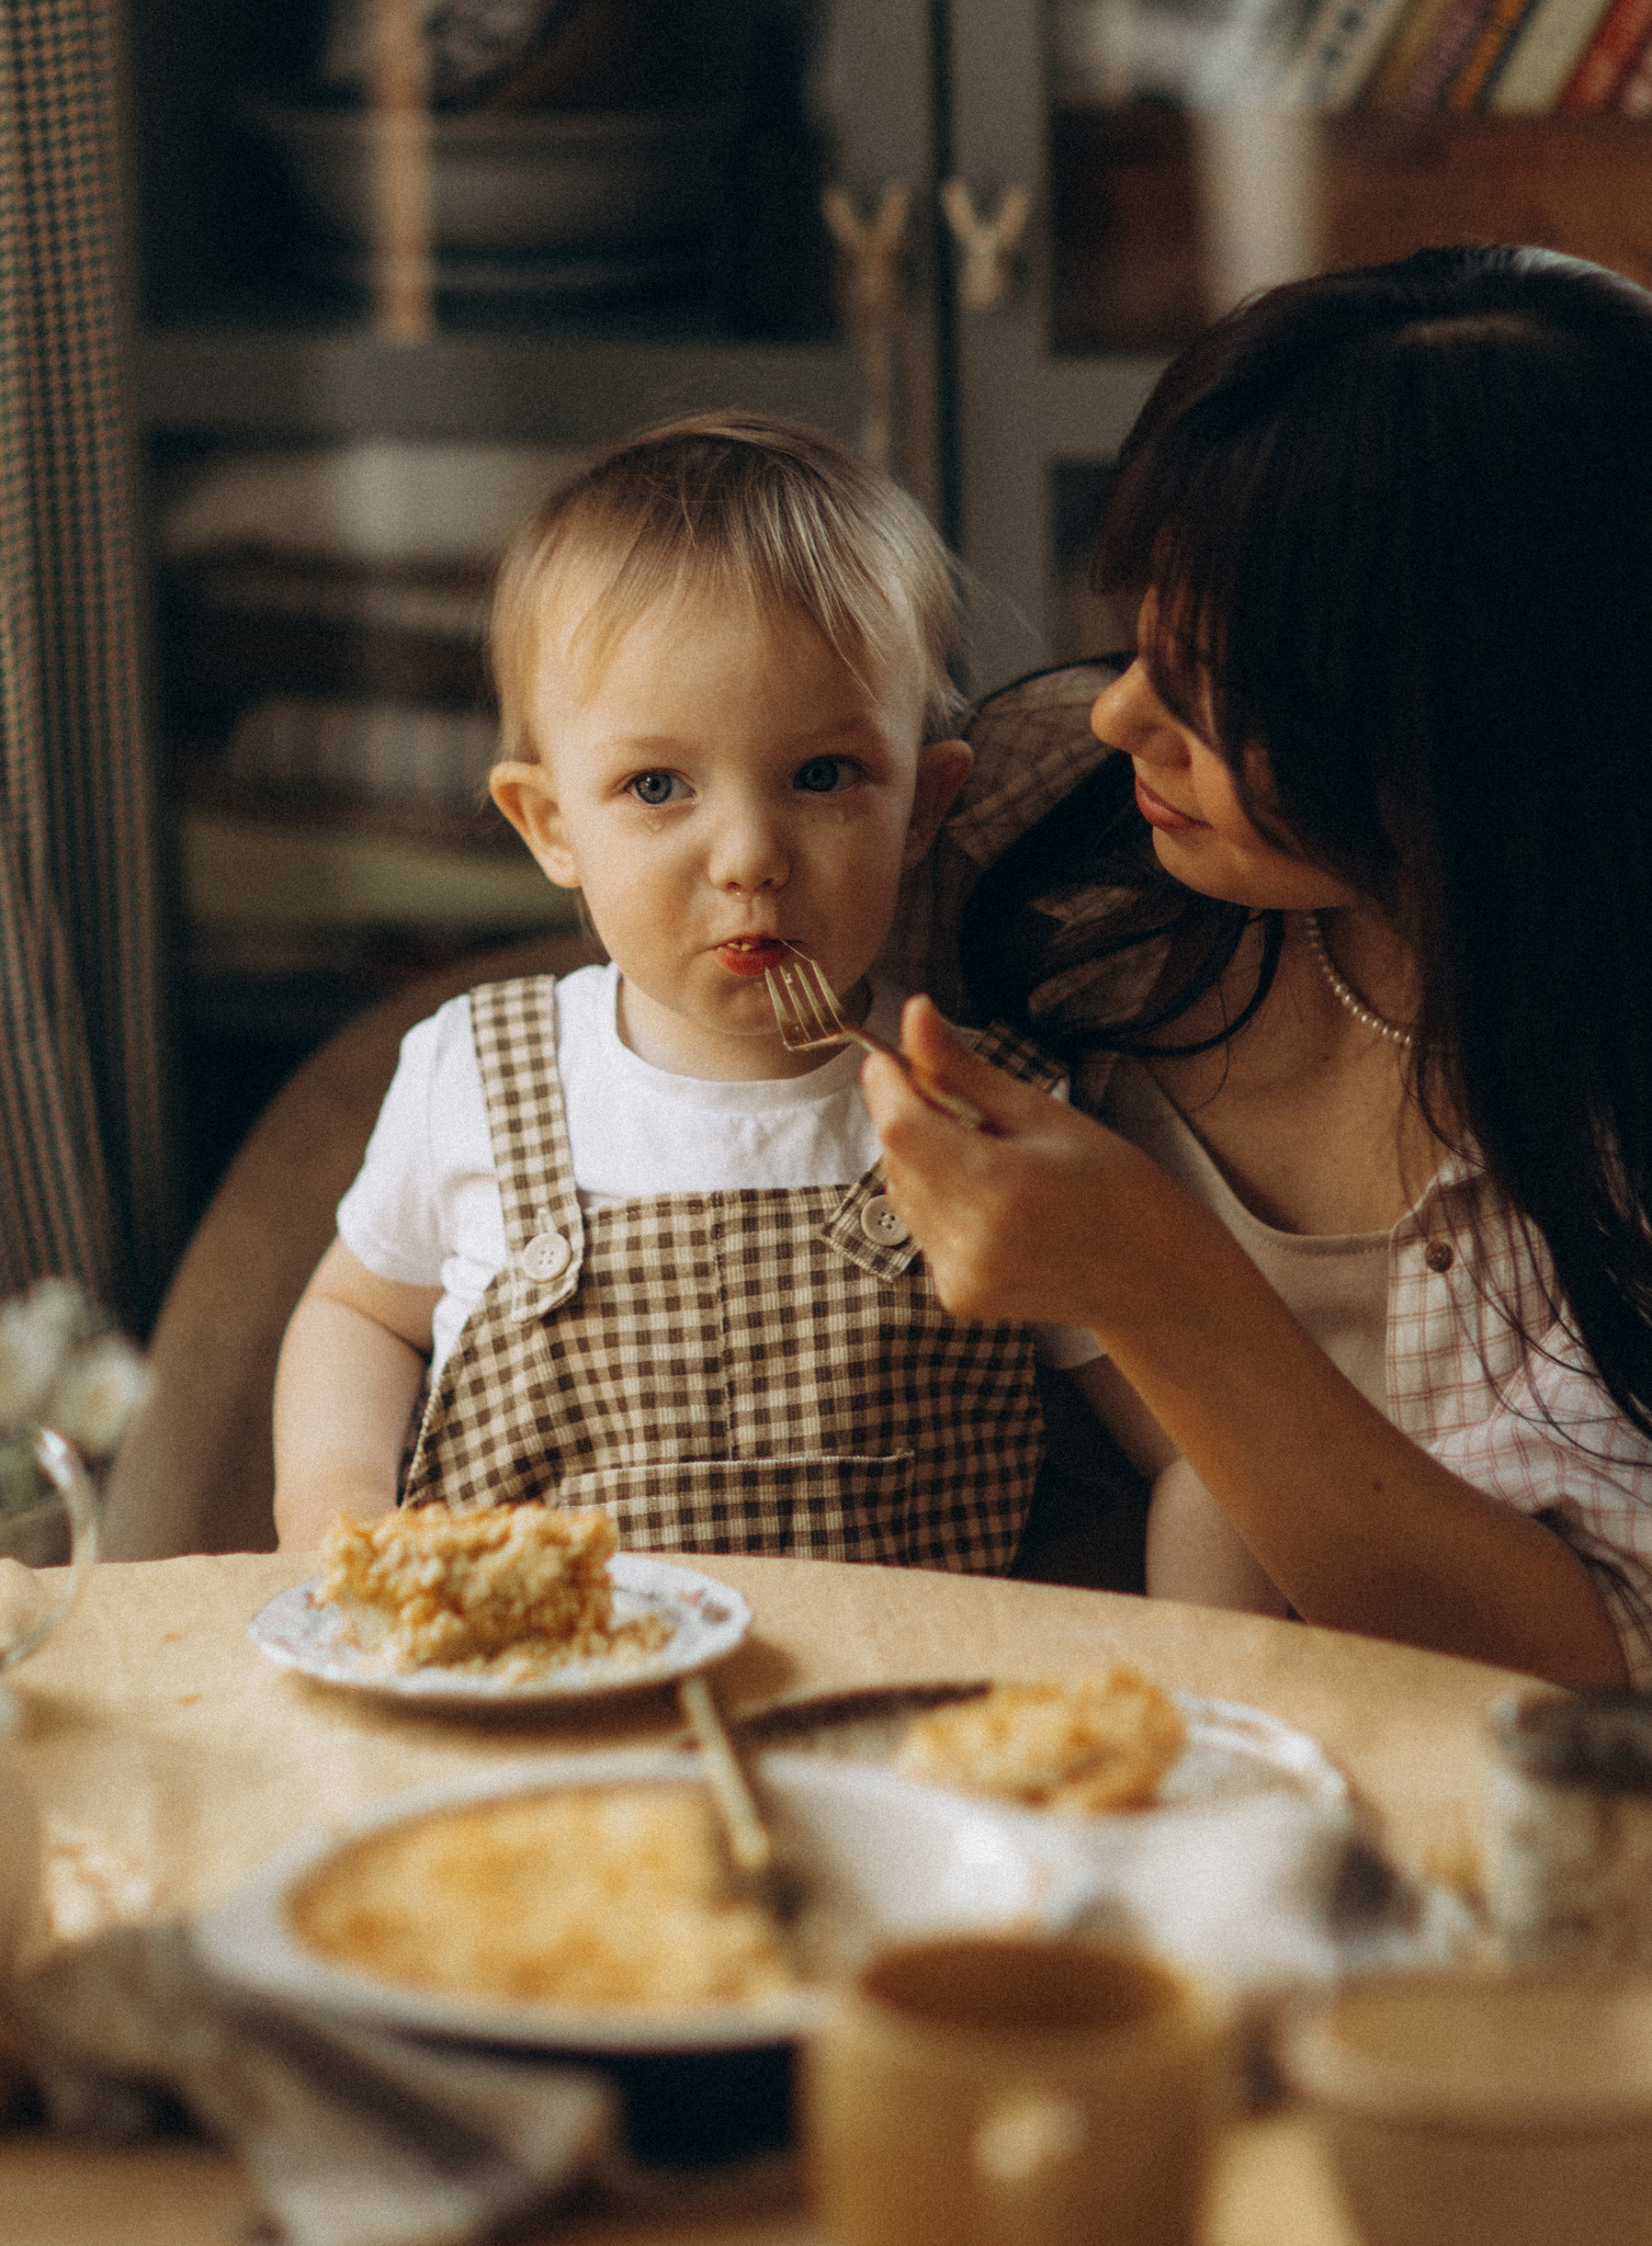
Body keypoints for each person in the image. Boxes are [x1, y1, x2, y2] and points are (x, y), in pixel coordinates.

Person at [868, 246, 1652, 1760]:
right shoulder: (1059, 827)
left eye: (1215, 681)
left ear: (1483, 745)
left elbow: (1615, 1697)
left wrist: (1162, 1288)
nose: (1115, 712)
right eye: (1148, 634)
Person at [272, 413, 1114, 1571]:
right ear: (550, 824)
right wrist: (330, 1510)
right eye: (658, 785)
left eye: (821, 775)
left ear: (922, 803)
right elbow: (361, 1312)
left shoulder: (990, 1115)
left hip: (890, 1725)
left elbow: (1191, 1443)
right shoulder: (475, 1071)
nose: (748, 855)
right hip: (539, 1703)